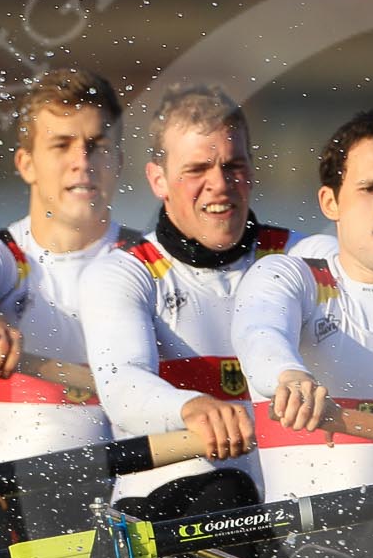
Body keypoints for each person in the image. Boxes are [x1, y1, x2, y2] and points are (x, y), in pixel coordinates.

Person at [229, 108, 373, 558]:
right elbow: (260, 331)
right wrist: (288, 375)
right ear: (330, 201)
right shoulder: (291, 276)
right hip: (301, 549)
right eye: (370, 189)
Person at [81, 84, 318, 521]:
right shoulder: (123, 274)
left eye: (233, 165)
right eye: (197, 169)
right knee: (227, 490)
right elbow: (123, 385)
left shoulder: (306, 256)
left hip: (284, 511)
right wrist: (189, 406)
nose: (219, 185)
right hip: (164, 502)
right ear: (158, 180)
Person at [0, 68, 131, 542]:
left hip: (119, 507)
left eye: (97, 145)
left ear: (117, 160)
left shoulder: (150, 266)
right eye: (61, 146)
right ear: (26, 164)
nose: (83, 160)